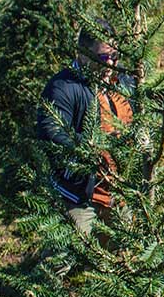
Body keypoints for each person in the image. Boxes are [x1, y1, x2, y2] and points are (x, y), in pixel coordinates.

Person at [38, 25, 135, 238]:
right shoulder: (63, 86)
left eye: (115, 55)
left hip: (121, 191)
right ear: (82, 54)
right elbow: (51, 132)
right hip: (79, 193)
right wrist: (88, 149)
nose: (110, 63)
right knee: (64, 256)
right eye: (103, 56)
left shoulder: (125, 82)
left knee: (127, 253)